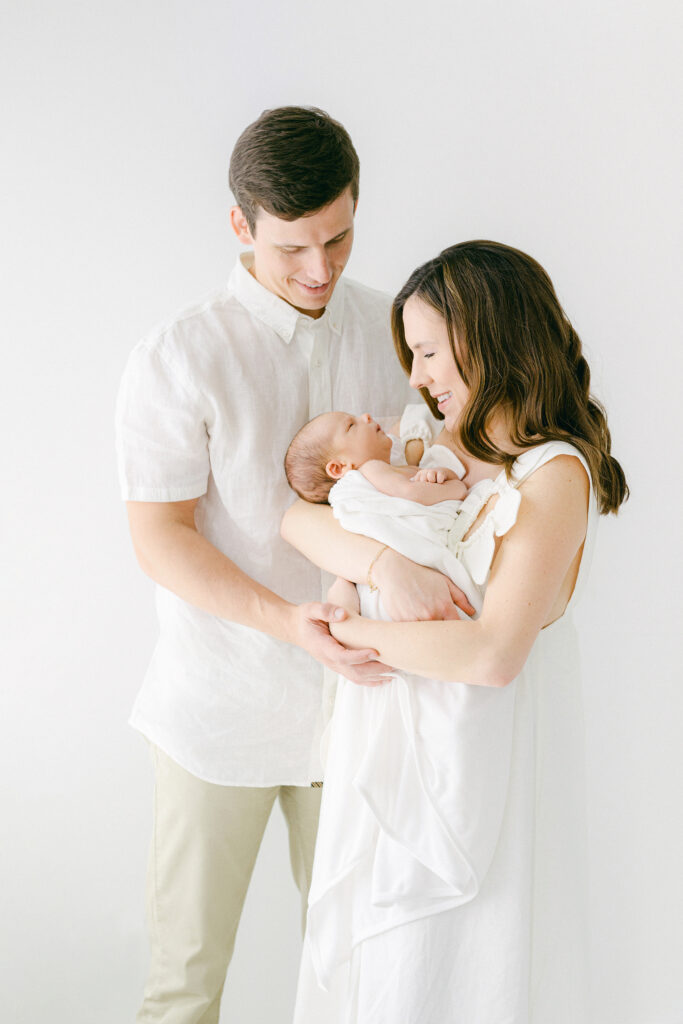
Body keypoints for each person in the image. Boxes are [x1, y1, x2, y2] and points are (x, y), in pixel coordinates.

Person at [115, 107, 472, 1024]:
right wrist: (289, 625)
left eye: (340, 237)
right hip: (216, 714)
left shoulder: (395, 327)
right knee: (185, 987)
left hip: (361, 718)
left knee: (364, 981)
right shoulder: (179, 355)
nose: (320, 270)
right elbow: (160, 537)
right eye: (293, 250)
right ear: (241, 227)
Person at [281, 240, 628, 1023]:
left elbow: (492, 654)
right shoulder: (421, 448)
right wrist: (382, 570)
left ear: (488, 339)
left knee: (453, 980)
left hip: (479, 786)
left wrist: (353, 637)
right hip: (389, 763)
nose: (417, 376)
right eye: (413, 353)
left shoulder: (552, 474)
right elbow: (300, 519)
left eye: (430, 350)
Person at [284, 408, 469, 503]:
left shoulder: (387, 471)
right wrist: (455, 489)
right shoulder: (370, 470)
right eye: (351, 425)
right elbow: (410, 493)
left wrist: (438, 474)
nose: (365, 416)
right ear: (339, 467)